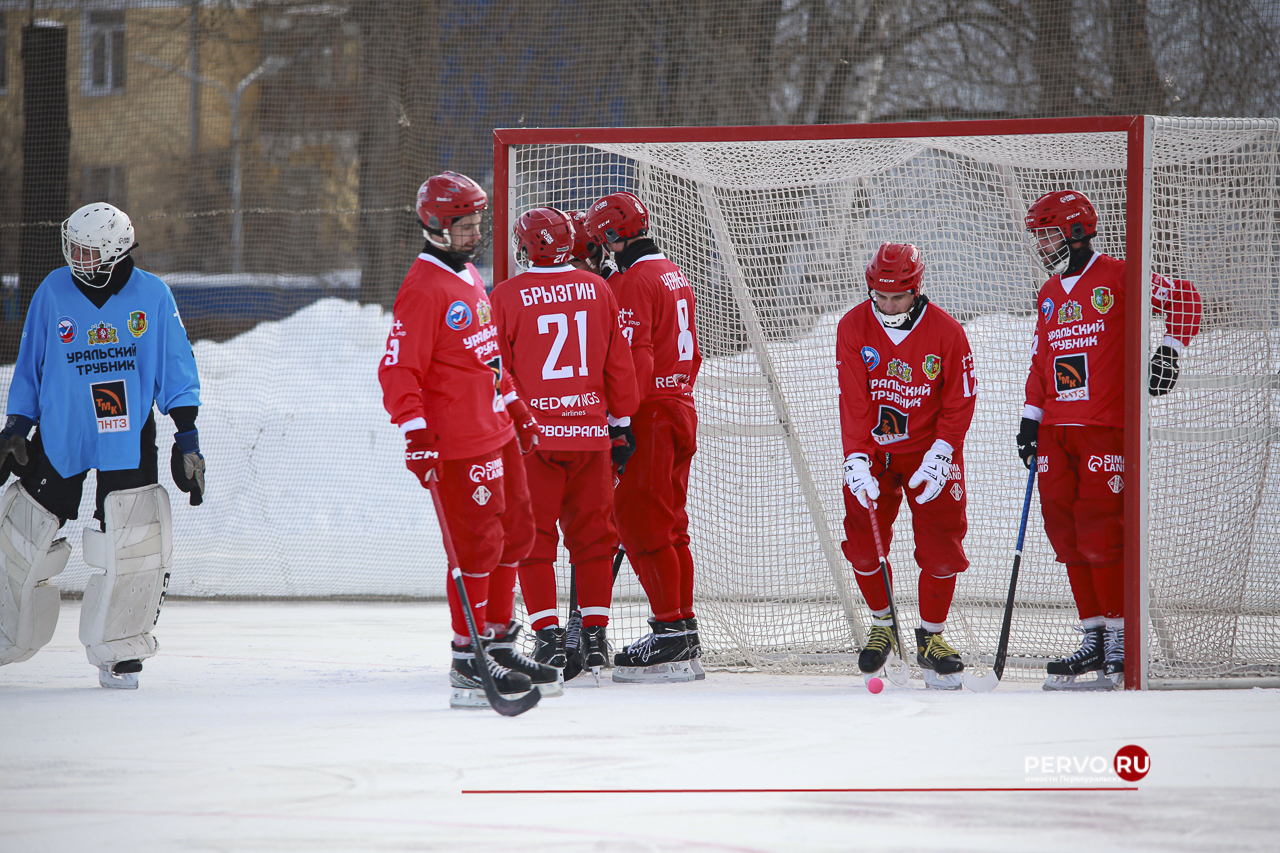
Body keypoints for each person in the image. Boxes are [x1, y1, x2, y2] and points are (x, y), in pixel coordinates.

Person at [0, 202, 204, 689]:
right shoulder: (52, 291)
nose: (75, 256)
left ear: (113, 252)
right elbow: (31, 364)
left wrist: (187, 436)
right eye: (71, 245)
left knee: (134, 545)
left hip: (126, 436)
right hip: (62, 432)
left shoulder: (152, 295)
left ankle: (120, 649)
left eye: (86, 250)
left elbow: (176, 368)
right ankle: (5, 633)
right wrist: (15, 427)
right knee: (19, 537)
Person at [377, 171, 557, 707]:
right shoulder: (424, 288)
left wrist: (515, 405)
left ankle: (500, 643)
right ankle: (467, 656)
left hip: (496, 429)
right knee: (477, 544)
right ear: (435, 225)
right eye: (463, 225)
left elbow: (488, 356)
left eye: (478, 223)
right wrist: (417, 435)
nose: (474, 234)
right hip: (458, 442)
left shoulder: (470, 279)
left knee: (517, 534)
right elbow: (398, 371)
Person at [1019, 189, 1201, 690]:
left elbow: (1185, 298)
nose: (1043, 244)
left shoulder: (1122, 275)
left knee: (1102, 533)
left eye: (1050, 233)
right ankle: (1095, 636)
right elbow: (1042, 361)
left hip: (1105, 428)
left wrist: (1168, 351)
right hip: (1057, 431)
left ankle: (1122, 639)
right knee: (1067, 536)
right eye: (1037, 236)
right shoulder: (1050, 292)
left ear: (1078, 231)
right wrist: (1030, 419)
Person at [489, 206, 640, 683]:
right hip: (591, 435)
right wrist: (620, 419)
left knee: (533, 541)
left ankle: (550, 637)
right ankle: (593, 638)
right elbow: (618, 365)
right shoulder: (597, 289)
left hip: (534, 439)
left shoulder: (507, 296)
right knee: (594, 539)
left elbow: (498, 372)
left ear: (523, 246)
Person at [837, 243, 978, 690]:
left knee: (941, 546)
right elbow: (854, 399)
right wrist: (856, 456)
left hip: (928, 451)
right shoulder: (853, 327)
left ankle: (931, 638)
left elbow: (960, 399)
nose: (888, 305)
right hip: (875, 451)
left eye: (897, 297)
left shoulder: (948, 332)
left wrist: (943, 453)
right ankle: (883, 625)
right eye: (880, 295)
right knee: (863, 541)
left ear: (916, 290)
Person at [584, 191, 704, 683]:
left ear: (613, 236)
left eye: (602, 242)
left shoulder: (636, 281)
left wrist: (621, 421)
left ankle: (671, 634)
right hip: (680, 406)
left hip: (650, 413)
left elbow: (638, 358)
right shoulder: (673, 273)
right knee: (672, 525)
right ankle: (683, 630)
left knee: (641, 525)